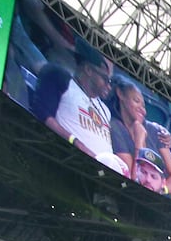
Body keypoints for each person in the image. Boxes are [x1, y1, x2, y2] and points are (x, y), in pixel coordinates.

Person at [31, 45, 129, 176]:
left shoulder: (105, 110)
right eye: (105, 79)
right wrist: (75, 142)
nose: (108, 86)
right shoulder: (63, 79)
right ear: (88, 70)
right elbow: (43, 114)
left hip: (99, 176)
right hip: (66, 162)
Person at [108, 76, 171, 192]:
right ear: (120, 94)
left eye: (144, 106)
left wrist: (160, 190)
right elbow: (134, 181)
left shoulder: (155, 130)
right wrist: (139, 142)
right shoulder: (116, 127)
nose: (143, 111)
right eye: (136, 101)